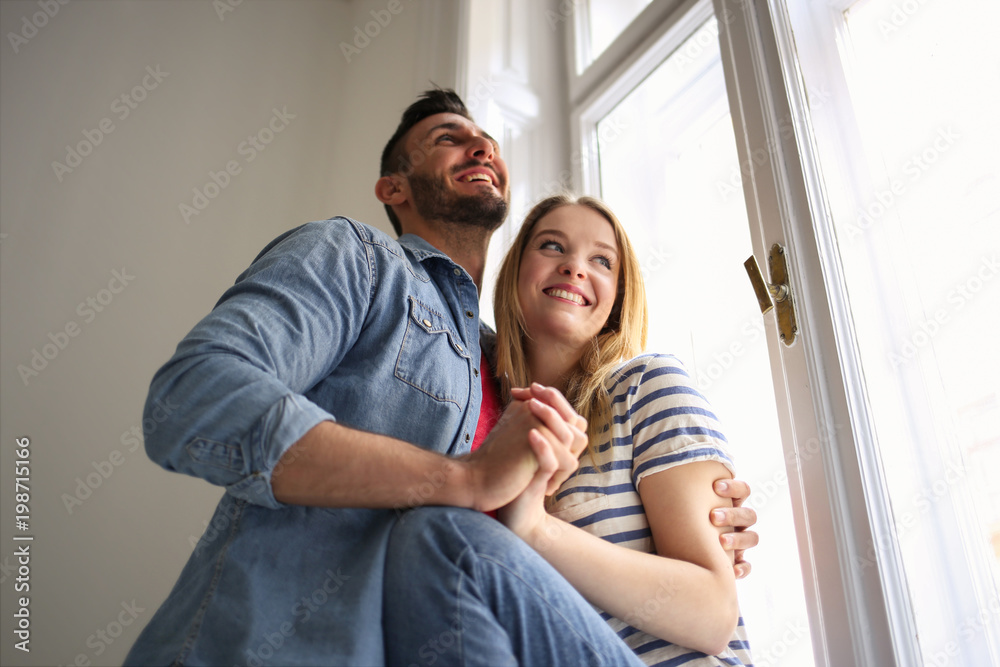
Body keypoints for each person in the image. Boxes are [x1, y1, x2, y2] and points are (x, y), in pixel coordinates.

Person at [124, 89, 757, 666]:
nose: (481, 147)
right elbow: (193, 396)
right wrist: (465, 478)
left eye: (488, 141)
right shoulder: (355, 258)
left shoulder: (513, 381)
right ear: (393, 188)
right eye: (448, 138)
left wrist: (700, 523)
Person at [385, 194, 754, 666]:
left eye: (602, 260)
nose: (575, 267)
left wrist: (536, 529)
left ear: (618, 298)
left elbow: (714, 616)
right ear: (516, 274)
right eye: (552, 246)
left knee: (435, 532)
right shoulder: (489, 426)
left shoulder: (648, 386)